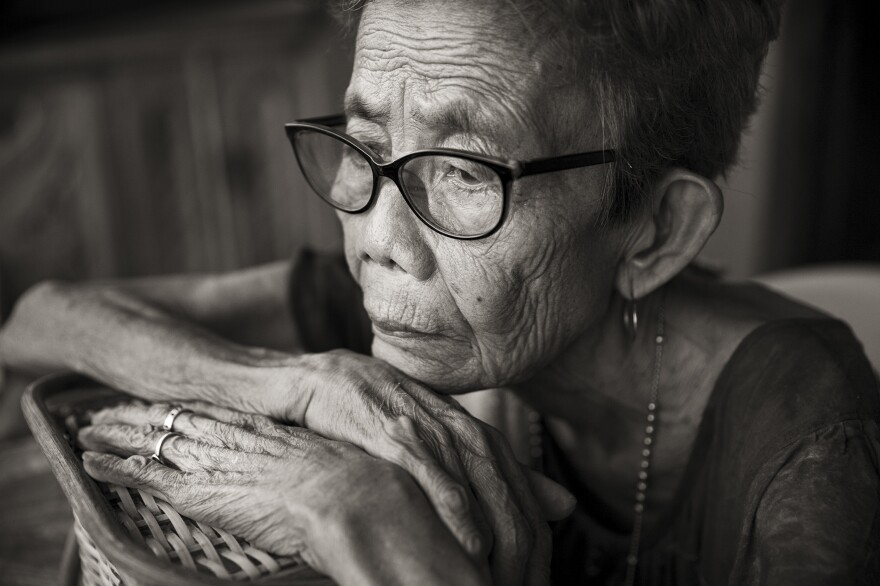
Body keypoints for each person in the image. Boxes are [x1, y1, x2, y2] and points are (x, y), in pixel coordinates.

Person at [1, 0, 878, 584]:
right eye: (362, 141)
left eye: (464, 171)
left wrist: (359, 513)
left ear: (656, 230)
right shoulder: (437, 297)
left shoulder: (814, 458)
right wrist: (295, 384)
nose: (379, 240)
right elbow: (40, 320)